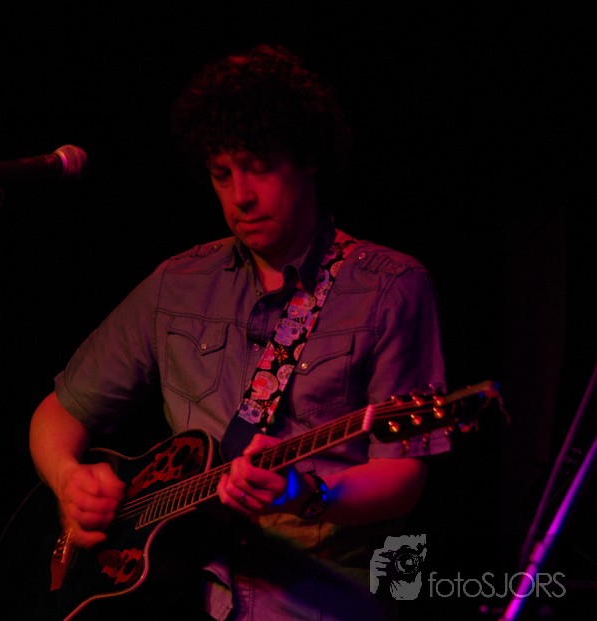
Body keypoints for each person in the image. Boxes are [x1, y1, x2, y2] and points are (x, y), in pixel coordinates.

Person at [28, 43, 449, 621]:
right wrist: (68, 480)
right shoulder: (177, 284)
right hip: (182, 599)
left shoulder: (391, 286)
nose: (240, 197)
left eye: (258, 167)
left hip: (319, 603)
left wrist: (306, 494)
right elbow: (57, 412)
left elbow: (404, 475)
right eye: (221, 175)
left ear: (307, 158)